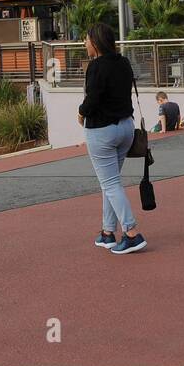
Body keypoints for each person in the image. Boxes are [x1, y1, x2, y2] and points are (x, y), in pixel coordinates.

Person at [77, 23, 146, 254]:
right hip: (126, 127)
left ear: (95, 43)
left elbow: (93, 98)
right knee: (110, 182)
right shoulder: (123, 62)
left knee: (110, 184)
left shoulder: (96, 66)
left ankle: (131, 233)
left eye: (86, 40)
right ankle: (107, 232)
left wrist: (81, 112)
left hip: (102, 131)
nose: (84, 44)